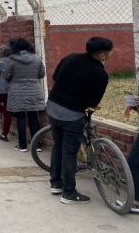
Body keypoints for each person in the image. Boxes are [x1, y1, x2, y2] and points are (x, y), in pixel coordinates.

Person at [47, 37, 113, 205]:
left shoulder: (70, 57)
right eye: (108, 53)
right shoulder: (100, 74)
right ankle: (69, 193)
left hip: (53, 107)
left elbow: (55, 76)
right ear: (102, 55)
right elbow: (93, 102)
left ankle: (56, 183)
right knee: (70, 152)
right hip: (72, 115)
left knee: (58, 145)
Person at [2, 38, 45, 152]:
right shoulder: (37, 58)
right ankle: (37, 145)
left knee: (20, 117)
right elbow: (41, 74)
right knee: (33, 117)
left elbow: (6, 76)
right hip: (34, 91)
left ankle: (22, 145)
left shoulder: (12, 60)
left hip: (17, 92)